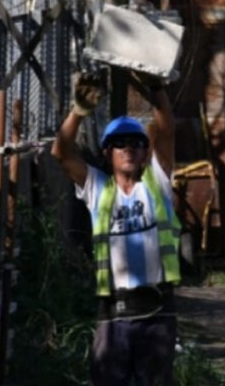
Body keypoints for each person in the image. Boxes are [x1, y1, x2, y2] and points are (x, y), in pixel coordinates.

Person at [51, 71, 182, 385]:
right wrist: (78, 112)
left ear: (144, 152)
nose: (128, 148)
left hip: (158, 312)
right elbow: (61, 152)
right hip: (114, 315)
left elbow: (166, 131)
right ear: (107, 153)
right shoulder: (98, 188)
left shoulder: (157, 181)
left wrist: (156, 88)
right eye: (119, 144)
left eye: (136, 143)